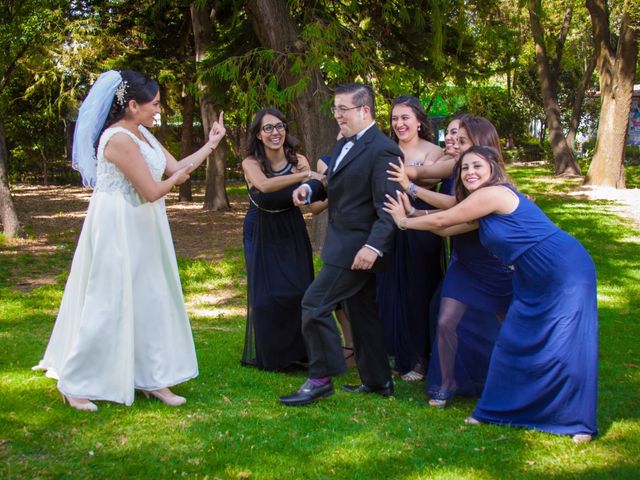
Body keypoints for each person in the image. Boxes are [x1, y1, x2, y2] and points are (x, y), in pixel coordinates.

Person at [33, 70, 226, 410]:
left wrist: (211, 144)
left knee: (150, 298)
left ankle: (151, 377)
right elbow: (152, 190)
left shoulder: (143, 134)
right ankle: (76, 382)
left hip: (144, 224)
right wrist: (178, 179)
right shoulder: (118, 138)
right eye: (154, 105)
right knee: (108, 300)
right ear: (132, 105)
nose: (158, 111)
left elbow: (175, 167)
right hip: (118, 222)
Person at [384, 145, 598, 442]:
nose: (470, 172)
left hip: (564, 269)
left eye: (477, 166)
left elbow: (443, 220)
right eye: (465, 168)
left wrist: (404, 222)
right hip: (532, 275)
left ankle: (576, 422)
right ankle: (498, 409)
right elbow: (448, 229)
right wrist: (413, 212)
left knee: (564, 344)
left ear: (493, 169)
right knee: (514, 341)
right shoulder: (481, 203)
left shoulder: (493, 193)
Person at [279, 82, 402, 406]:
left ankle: (320, 378)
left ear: (365, 110)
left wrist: (373, 248)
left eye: (343, 109)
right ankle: (378, 382)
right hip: (342, 244)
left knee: (314, 304)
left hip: (357, 250)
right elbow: (336, 183)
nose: (337, 115)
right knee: (362, 314)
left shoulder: (383, 149)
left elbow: (389, 207)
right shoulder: (346, 143)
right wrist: (310, 190)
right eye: (335, 109)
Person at [388, 116, 513, 408]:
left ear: (481, 145)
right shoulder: (462, 172)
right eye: (453, 138)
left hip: (491, 266)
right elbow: (448, 214)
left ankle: (508, 379)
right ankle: (445, 384)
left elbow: (450, 216)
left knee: (506, 326)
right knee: (445, 320)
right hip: (463, 262)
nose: (453, 143)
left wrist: (409, 207)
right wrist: (414, 214)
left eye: (462, 139)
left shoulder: (488, 181)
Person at [240, 108, 319, 371]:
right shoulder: (250, 162)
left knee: (298, 290)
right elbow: (264, 185)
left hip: (290, 228)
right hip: (260, 228)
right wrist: (303, 176)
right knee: (264, 297)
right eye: (268, 128)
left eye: (280, 126)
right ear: (259, 135)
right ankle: (272, 357)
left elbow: (311, 201)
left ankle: (300, 353)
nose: (275, 132)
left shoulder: (299, 159)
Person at [376, 95, 445, 381]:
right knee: (390, 291)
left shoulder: (434, 152)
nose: (399, 123)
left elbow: (424, 180)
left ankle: (419, 359)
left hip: (422, 227)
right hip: (389, 225)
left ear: (419, 121)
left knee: (418, 291)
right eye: (394, 118)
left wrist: (407, 177)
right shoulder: (385, 148)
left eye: (405, 118)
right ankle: (396, 354)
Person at [308, 154, 355, 368]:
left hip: (361, 238)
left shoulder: (373, 152)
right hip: (338, 241)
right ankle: (348, 347)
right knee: (333, 300)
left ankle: (352, 351)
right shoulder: (329, 160)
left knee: (355, 300)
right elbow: (316, 208)